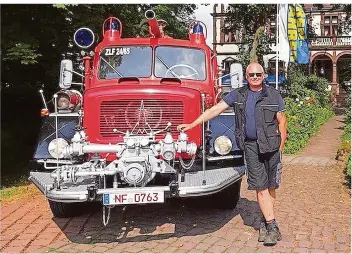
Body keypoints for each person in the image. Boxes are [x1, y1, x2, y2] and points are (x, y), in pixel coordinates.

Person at [177, 62, 287, 246]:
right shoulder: (238, 95)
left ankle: (265, 220)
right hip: (251, 147)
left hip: (272, 147)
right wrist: (192, 124)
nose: (254, 77)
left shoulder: (273, 95)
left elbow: (282, 122)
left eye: (258, 74)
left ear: (264, 75)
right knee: (260, 187)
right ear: (246, 76)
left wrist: (281, 148)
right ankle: (272, 226)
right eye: (251, 75)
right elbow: (215, 109)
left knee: (271, 186)